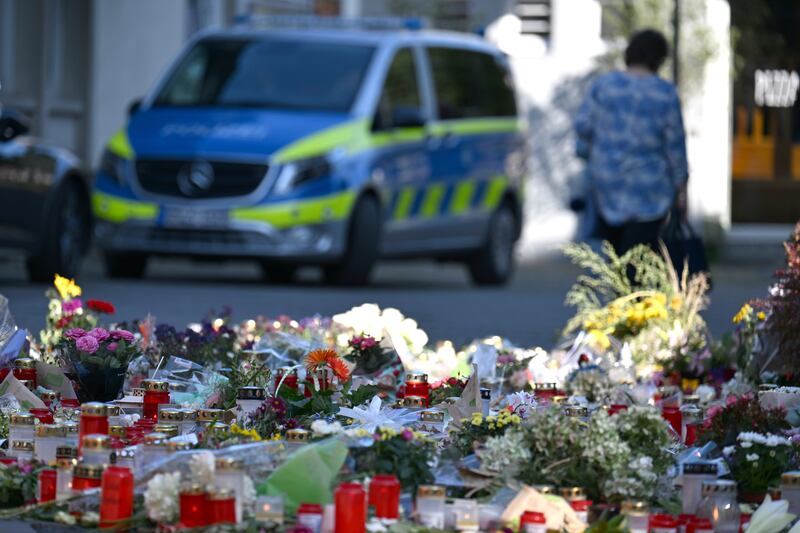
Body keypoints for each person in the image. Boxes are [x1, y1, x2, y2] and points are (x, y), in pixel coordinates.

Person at [574, 29, 688, 255]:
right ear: (659, 58)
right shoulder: (665, 93)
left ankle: (619, 289)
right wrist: (681, 189)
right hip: (650, 192)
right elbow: (675, 146)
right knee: (639, 262)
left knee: (614, 260)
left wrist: (591, 156)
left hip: (606, 188)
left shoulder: (604, 86)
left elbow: (582, 128)